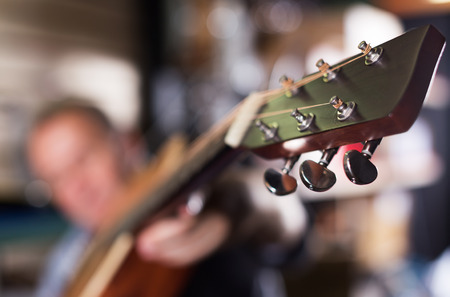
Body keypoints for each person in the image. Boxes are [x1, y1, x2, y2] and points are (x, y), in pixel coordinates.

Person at [27, 100, 307, 297]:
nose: (78, 186)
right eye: (56, 179)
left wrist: (230, 214)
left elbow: (286, 216)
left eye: (83, 158)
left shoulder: (194, 197)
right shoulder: (68, 258)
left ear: (128, 143)